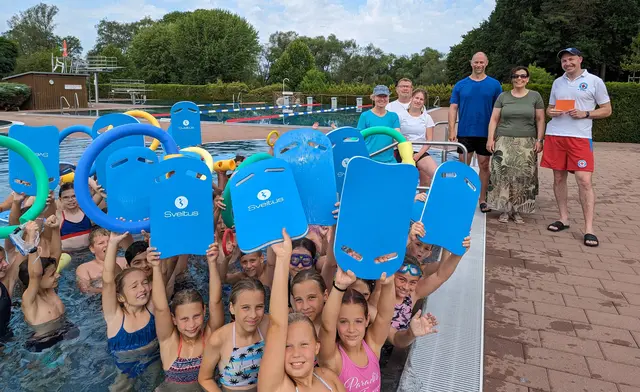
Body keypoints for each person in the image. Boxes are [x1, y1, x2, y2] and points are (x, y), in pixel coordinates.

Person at [258, 228, 345, 392]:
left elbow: (327, 326)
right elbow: (277, 327)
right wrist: (283, 259)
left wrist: (340, 287)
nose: (296, 353)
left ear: (317, 347)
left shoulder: (329, 378)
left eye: (304, 344)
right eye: (287, 346)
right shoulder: (278, 387)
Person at [541, 48, 612, 247]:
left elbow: (607, 110)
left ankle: (589, 228)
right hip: (556, 135)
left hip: (579, 138)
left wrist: (586, 114)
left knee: (584, 180)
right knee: (558, 177)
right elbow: (549, 108)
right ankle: (563, 218)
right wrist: (552, 112)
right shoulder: (558, 82)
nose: (567, 63)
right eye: (564, 60)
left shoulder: (594, 81)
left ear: (580, 59)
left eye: (571, 59)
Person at [148, 243, 224, 390]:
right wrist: (156, 268)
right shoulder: (169, 341)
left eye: (196, 316)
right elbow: (160, 308)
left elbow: (216, 301)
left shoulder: (210, 336)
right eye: (184, 319)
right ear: (174, 320)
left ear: (204, 311)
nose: (191, 325)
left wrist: (212, 263)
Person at [318, 267, 395, 392]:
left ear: (367, 320)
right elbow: (327, 327)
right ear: (336, 323)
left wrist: (388, 283)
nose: (351, 329)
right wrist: (339, 287)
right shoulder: (333, 358)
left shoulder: (372, 345)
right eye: (343, 322)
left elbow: (385, 317)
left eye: (358, 321)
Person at [486, 66, 546, 224]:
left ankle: (517, 210)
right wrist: (490, 139)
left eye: (523, 76)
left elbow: (540, 119)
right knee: (502, 175)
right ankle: (505, 209)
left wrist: (540, 140)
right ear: (511, 78)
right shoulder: (503, 96)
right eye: (516, 76)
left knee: (523, 176)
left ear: (527, 78)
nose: (519, 79)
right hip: (504, 140)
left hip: (526, 141)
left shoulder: (535, 96)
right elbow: (494, 119)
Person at [102, 231, 161, 388]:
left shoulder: (151, 307)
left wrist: (153, 243)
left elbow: (159, 272)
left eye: (144, 283)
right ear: (120, 297)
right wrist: (113, 243)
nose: (142, 288)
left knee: (156, 386)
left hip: (153, 358)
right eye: (134, 286)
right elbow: (108, 280)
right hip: (124, 366)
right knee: (121, 387)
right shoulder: (115, 317)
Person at [448, 52, 503, 213]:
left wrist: (494, 134)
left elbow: (498, 110)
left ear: (486, 63)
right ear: (471, 63)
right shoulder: (460, 85)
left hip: (485, 133)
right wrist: (452, 129)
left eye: (481, 62)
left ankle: (482, 199)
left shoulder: (494, 85)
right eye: (475, 62)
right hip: (465, 131)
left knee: (484, 165)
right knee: (463, 165)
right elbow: (453, 108)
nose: (478, 65)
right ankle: (462, 196)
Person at [198, 278, 270, 391]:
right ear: (232, 308)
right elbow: (205, 378)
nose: (253, 315)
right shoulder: (219, 339)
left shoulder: (267, 325)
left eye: (259, 307)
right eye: (245, 307)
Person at [396, 89, 438, 186]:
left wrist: (418, 155)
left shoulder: (427, 118)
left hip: (420, 151)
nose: (418, 101)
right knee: (406, 180)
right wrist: (407, 152)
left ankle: (424, 199)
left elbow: (429, 140)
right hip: (403, 151)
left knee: (435, 174)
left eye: (421, 99)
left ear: (424, 102)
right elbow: (396, 135)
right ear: (411, 98)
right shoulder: (400, 116)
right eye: (416, 98)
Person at [76, 227, 128, 294]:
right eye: (101, 243)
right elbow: (86, 290)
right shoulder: (84, 268)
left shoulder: (124, 261)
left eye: (110, 241)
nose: (106, 245)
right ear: (92, 249)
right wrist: (111, 292)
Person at [357, 85, 401, 163]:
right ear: (373, 97)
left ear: (388, 98)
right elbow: (358, 137)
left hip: (389, 160)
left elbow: (397, 136)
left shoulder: (393, 116)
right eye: (379, 96)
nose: (382, 99)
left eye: (385, 96)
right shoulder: (365, 116)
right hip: (369, 159)